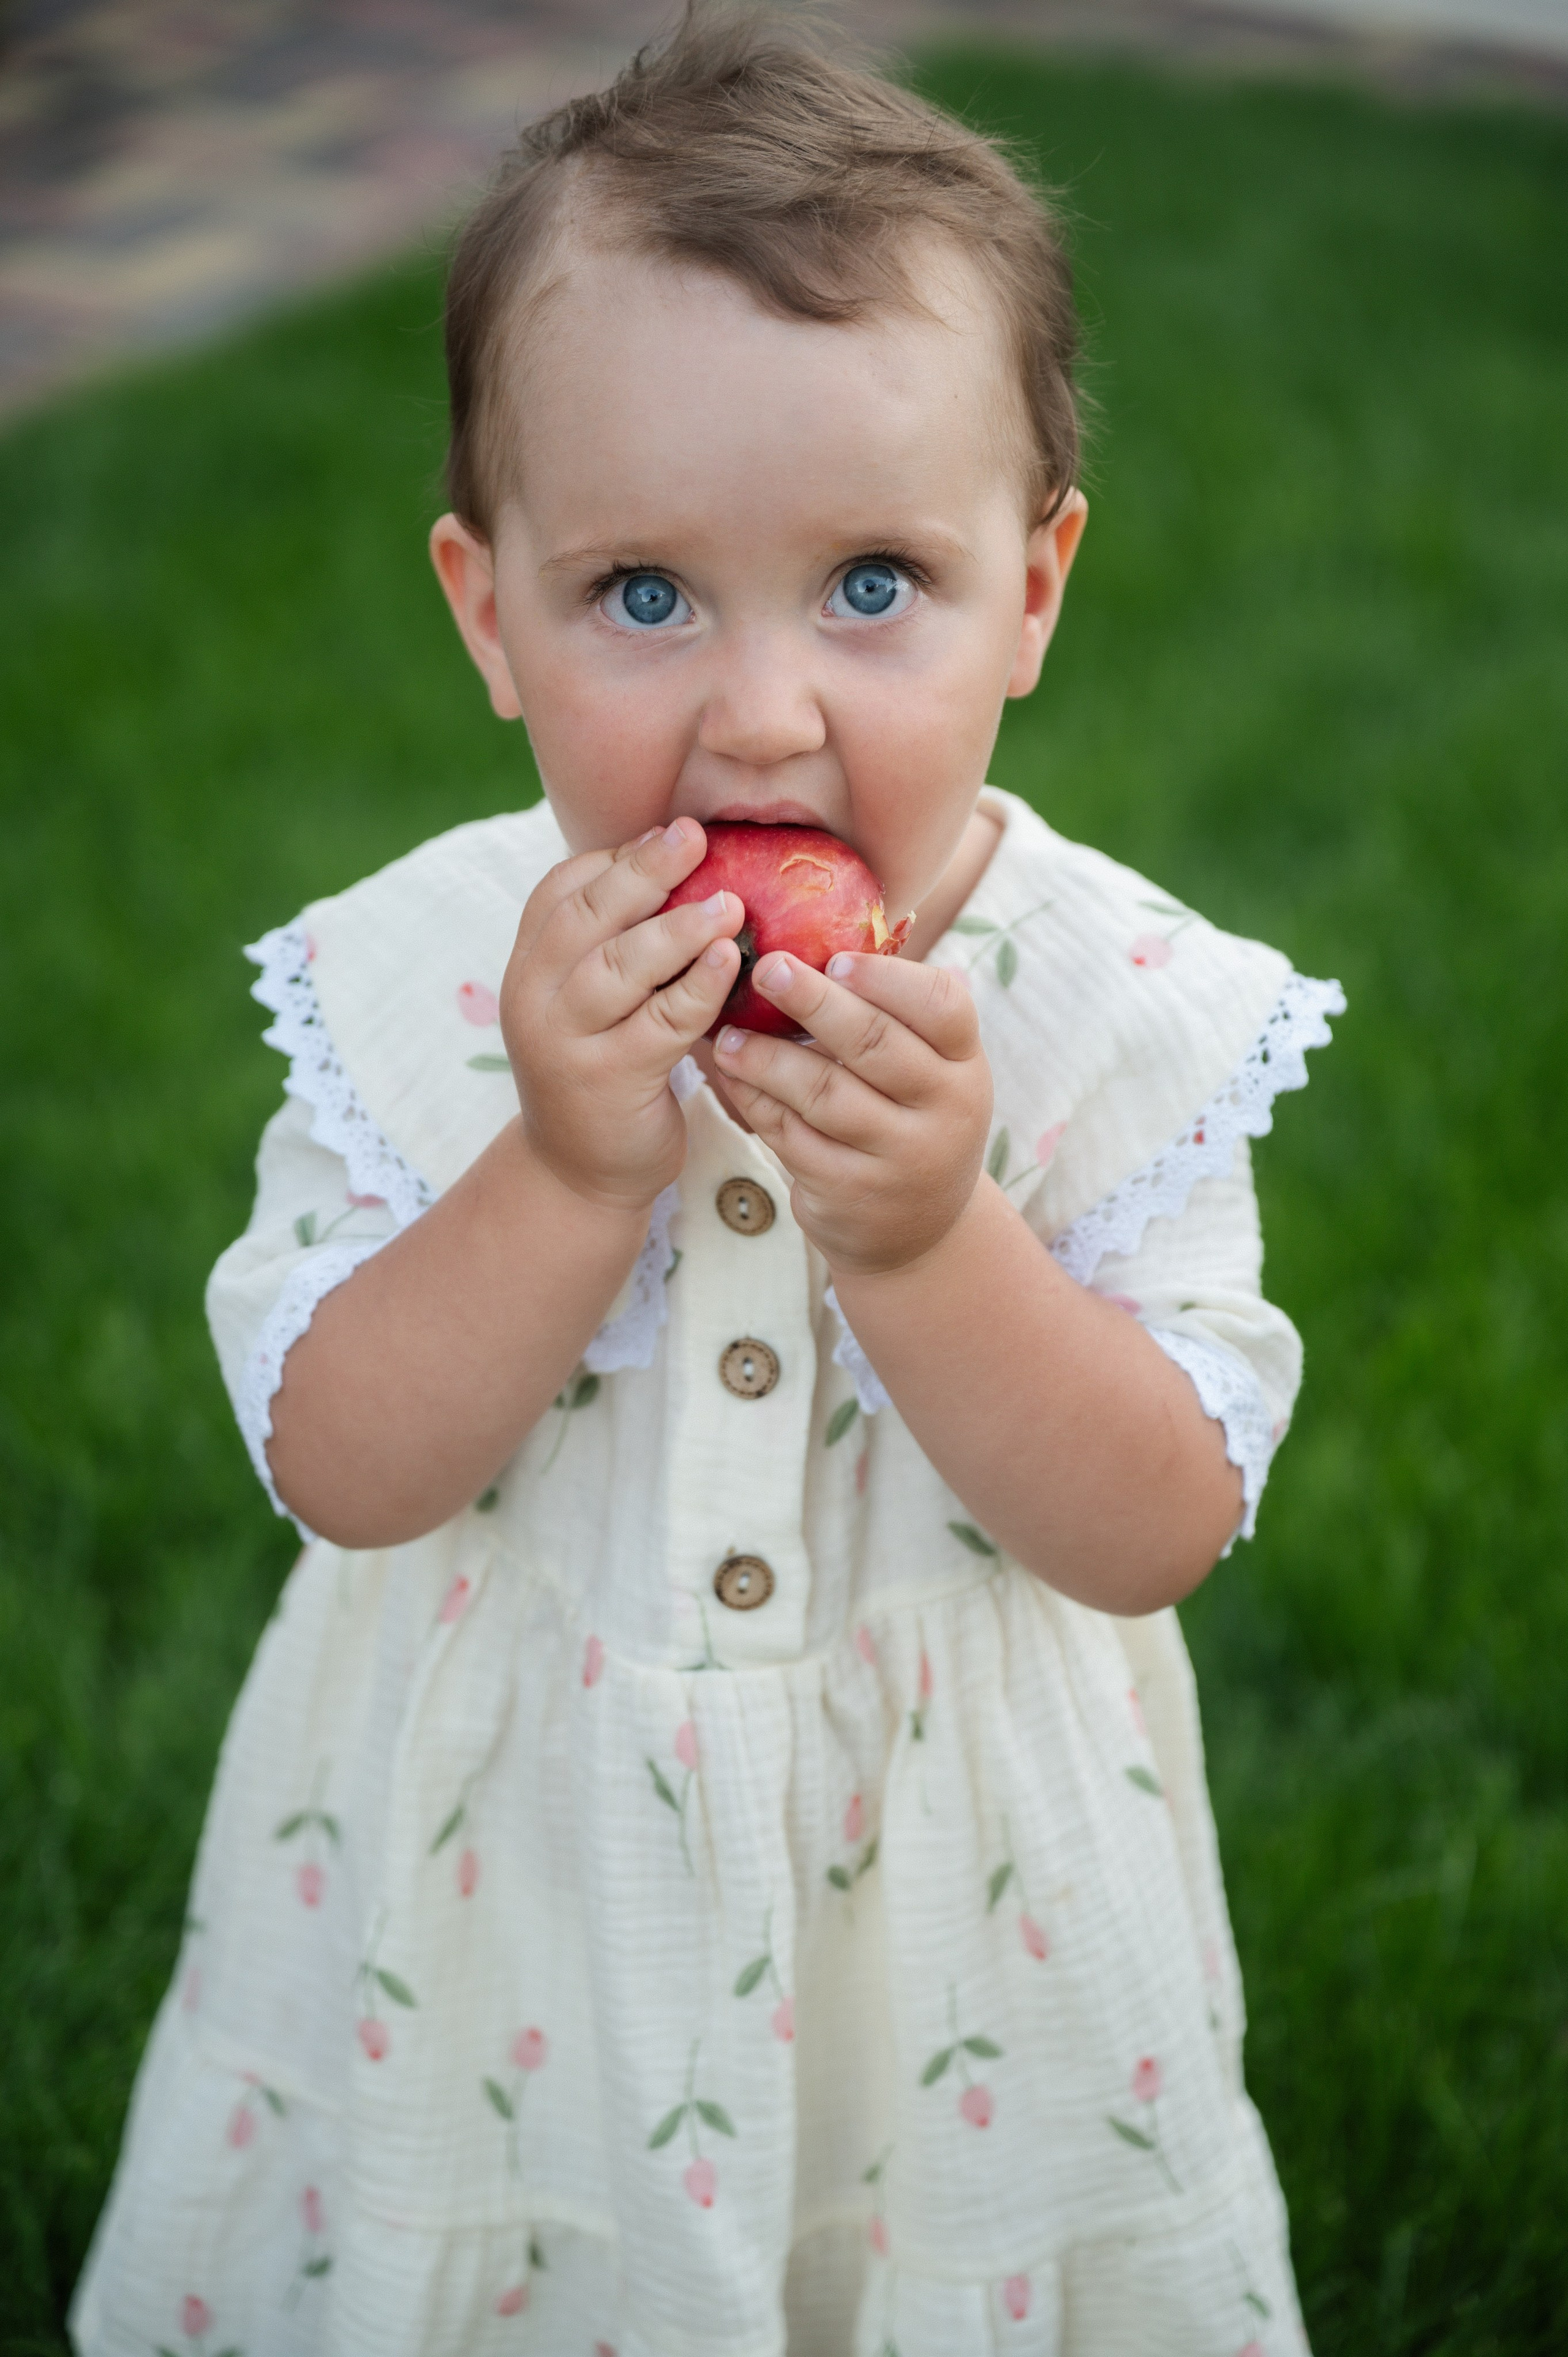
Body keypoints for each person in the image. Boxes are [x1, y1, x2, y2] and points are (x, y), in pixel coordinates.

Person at [73, 10, 1343, 2353]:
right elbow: (346, 1472)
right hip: (510, 1896)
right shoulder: (431, 995)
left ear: (1035, 592)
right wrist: (565, 1169)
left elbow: (1156, 1523)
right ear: (489, 612)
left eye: (876, 582)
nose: (762, 715)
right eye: (645, 597)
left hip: (956, 1924)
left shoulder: (1106, 1018)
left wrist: (937, 1240)